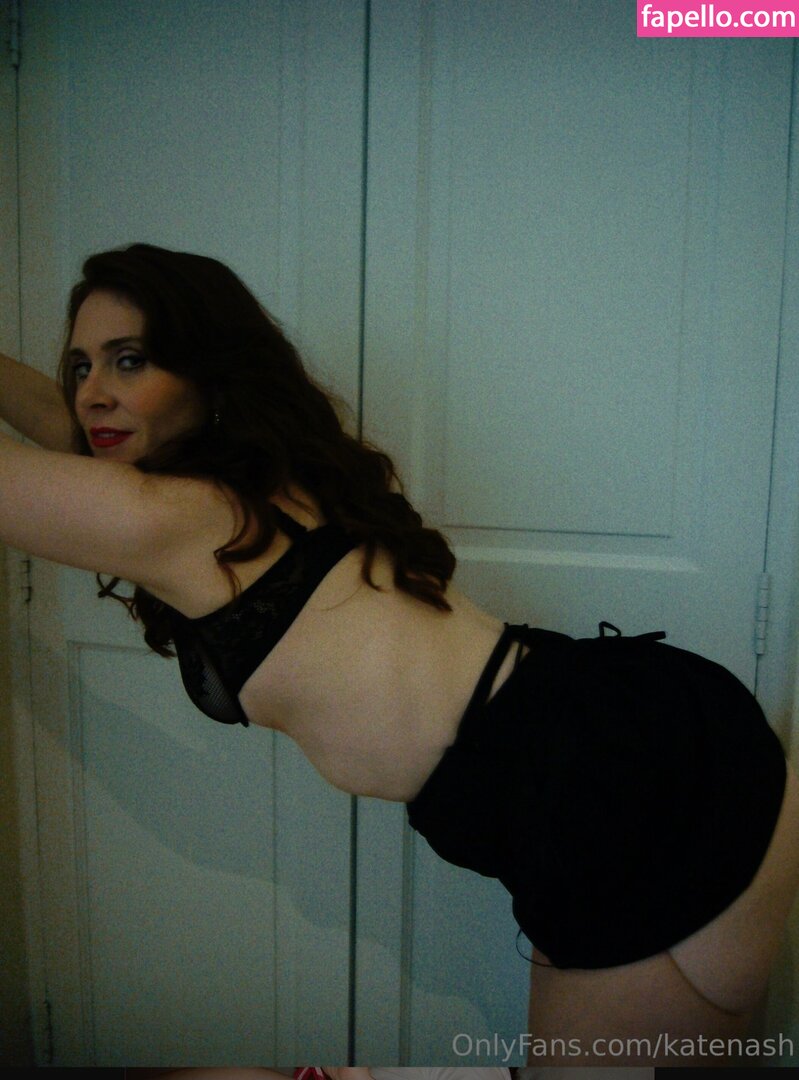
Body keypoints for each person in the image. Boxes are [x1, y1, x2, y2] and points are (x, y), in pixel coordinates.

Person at [2, 244, 798, 1066]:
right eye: (80, 365)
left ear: (206, 371)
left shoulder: (174, 516)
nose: (91, 392)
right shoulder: (256, 481)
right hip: (601, 743)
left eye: (129, 360)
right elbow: (71, 428)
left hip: (609, 777)